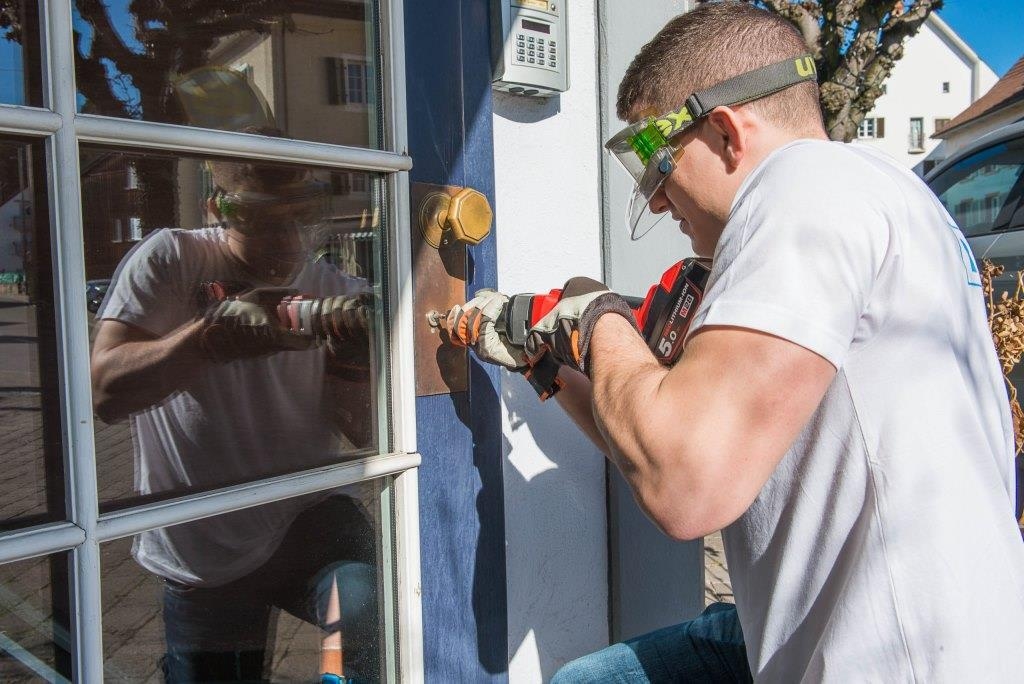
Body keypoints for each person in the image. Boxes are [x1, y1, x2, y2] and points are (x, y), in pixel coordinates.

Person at [448, 3, 1024, 681]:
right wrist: (552, 372)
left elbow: (683, 486)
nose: (658, 201)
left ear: (723, 131)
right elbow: (662, 444)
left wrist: (594, 309)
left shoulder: (802, 192)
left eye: (655, 162)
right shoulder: (891, 196)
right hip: (898, 631)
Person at [90, 150, 380, 682]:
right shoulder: (172, 259)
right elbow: (106, 394)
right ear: (217, 211)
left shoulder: (335, 289)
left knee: (366, 611)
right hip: (201, 534)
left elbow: (362, 432)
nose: (287, 241)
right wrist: (205, 342)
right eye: (264, 220)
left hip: (307, 512)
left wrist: (353, 365)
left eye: (300, 216)